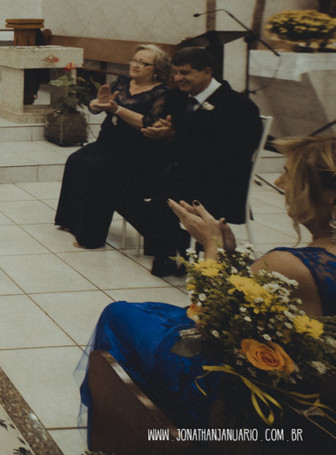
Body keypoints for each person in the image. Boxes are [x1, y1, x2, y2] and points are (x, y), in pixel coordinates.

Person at [80, 135, 336, 437]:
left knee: (119, 315)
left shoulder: (293, 264)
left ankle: (127, 431)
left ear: (329, 196)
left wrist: (210, 245)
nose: (279, 183)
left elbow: (208, 321)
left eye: (290, 175)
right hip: (308, 383)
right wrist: (228, 251)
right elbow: (261, 305)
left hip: (247, 394)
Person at [131, 46, 263, 276]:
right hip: (182, 171)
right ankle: (175, 250)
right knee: (126, 182)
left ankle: (177, 252)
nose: (178, 78)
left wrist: (175, 137)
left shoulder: (238, 106)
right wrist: (159, 132)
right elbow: (172, 132)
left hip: (220, 181)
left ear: (207, 72)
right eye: (175, 73)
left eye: (185, 73)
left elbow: (232, 154)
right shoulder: (176, 97)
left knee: (162, 195)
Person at [54, 45, 172, 249]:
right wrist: (97, 103)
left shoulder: (162, 92)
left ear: (157, 69)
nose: (135, 65)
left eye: (143, 63)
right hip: (107, 142)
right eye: (134, 60)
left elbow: (149, 123)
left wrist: (117, 109)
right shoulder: (123, 82)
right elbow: (99, 104)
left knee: (98, 171)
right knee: (76, 160)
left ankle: (91, 235)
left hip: (136, 151)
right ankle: (72, 221)